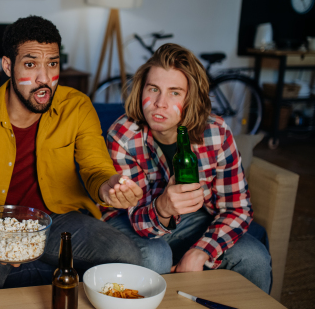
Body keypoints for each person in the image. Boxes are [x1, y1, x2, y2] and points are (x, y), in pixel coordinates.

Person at [0, 15, 143, 293]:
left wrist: (108, 186)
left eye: (52, 64)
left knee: (127, 258)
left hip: (59, 219)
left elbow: (96, 169)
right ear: (7, 66)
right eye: (30, 64)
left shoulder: (77, 106)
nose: (44, 79)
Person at [103, 43, 271, 292]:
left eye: (174, 93)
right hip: (128, 218)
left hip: (193, 219)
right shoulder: (124, 135)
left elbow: (238, 208)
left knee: (254, 256)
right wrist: (163, 207)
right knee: (156, 255)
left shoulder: (217, 132)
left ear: (191, 97)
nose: (160, 103)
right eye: (154, 89)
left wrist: (201, 251)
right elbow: (137, 218)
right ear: (141, 91)